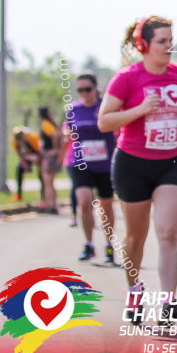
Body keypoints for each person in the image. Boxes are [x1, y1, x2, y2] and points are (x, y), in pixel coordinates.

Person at [98, 16, 177, 327]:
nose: (169, 46)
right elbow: (105, 121)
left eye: (171, 40)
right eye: (162, 41)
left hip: (173, 161)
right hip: (133, 164)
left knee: (168, 232)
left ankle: (169, 301)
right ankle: (134, 290)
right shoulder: (126, 78)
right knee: (135, 239)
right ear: (144, 45)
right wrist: (140, 110)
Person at [63, 72, 118, 263]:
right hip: (80, 162)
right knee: (84, 201)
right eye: (80, 90)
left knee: (106, 206)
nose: (84, 93)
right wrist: (66, 134)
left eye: (88, 89)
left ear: (96, 88)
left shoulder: (106, 107)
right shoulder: (73, 109)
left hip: (105, 163)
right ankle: (89, 244)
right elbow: (67, 128)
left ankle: (109, 245)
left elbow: (118, 129)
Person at [38, 106, 61, 214]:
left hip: (49, 155)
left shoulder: (45, 124)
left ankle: (50, 205)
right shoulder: (50, 123)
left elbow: (55, 135)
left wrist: (55, 149)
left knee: (47, 182)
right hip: (52, 155)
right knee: (50, 182)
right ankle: (53, 204)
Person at [10, 127, 43, 203]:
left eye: (21, 136)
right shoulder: (14, 142)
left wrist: (39, 165)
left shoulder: (33, 138)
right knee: (19, 170)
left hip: (37, 156)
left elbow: (40, 152)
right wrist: (25, 164)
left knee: (41, 176)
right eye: (18, 138)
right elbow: (20, 155)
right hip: (26, 157)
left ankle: (43, 197)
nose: (20, 139)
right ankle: (19, 194)